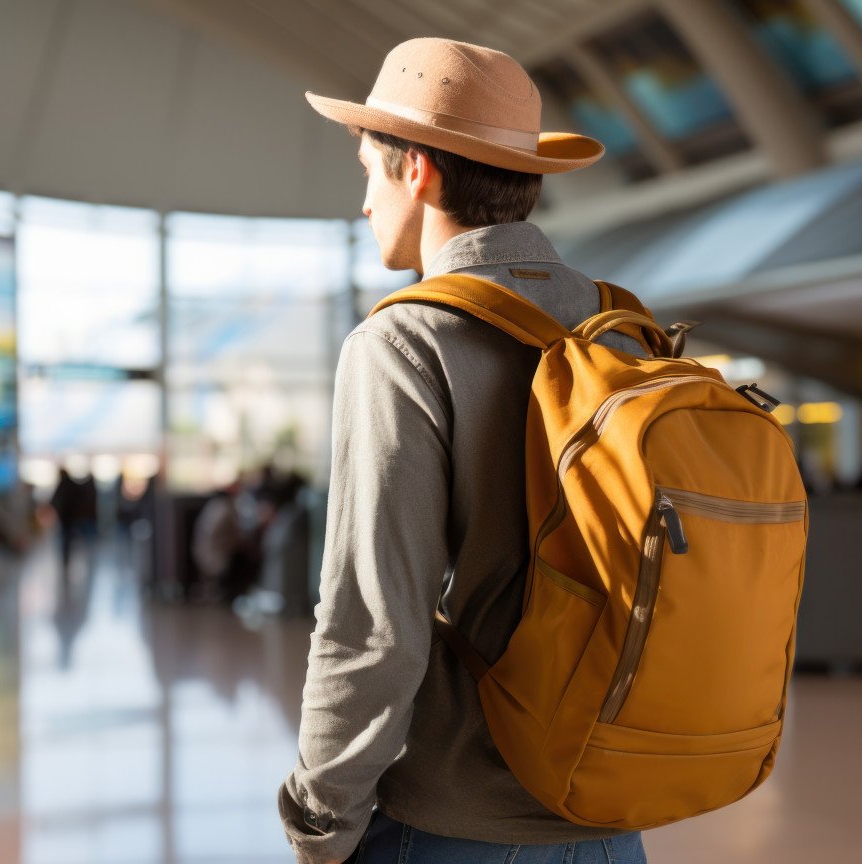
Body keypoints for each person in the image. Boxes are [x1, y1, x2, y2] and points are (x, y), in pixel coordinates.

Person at [279, 37, 646, 864]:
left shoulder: (406, 341)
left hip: (457, 825)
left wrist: (320, 819)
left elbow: (372, 624)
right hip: (612, 823)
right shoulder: (625, 328)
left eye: (370, 171)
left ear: (418, 171)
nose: (366, 203)